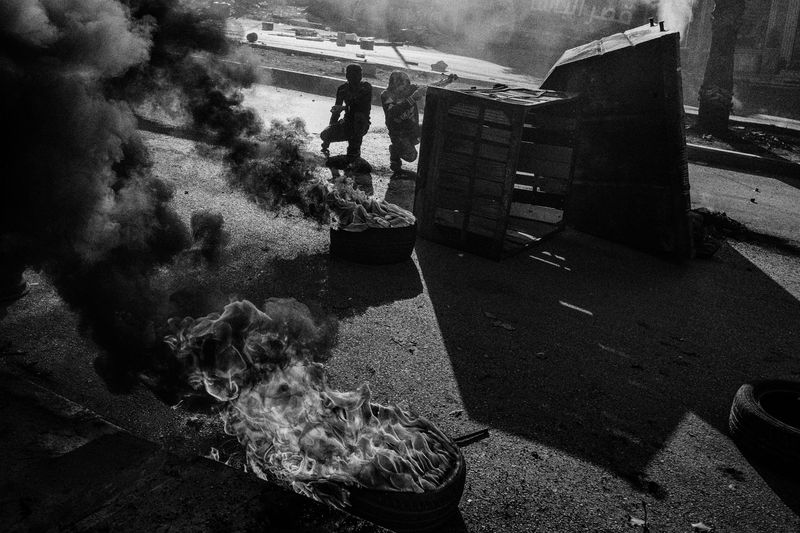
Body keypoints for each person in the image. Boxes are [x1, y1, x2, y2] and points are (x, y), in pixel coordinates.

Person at [320, 63, 372, 160]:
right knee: (325, 134)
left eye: (358, 74)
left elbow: (359, 105)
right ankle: (352, 146)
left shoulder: (366, 87)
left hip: (361, 123)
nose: (356, 77)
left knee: (358, 118)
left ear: (361, 76)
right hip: (347, 122)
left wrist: (343, 108)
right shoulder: (342, 89)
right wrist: (327, 140)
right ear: (347, 75)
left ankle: (354, 148)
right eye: (353, 75)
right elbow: (336, 112)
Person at [380, 71, 425, 177]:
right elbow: (393, 112)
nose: (404, 89)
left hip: (412, 128)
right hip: (398, 132)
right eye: (402, 86)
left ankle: (426, 167)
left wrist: (447, 81)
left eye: (406, 85)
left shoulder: (410, 90)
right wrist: (412, 98)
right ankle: (395, 152)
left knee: (429, 129)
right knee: (411, 156)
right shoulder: (386, 94)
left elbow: (428, 88)